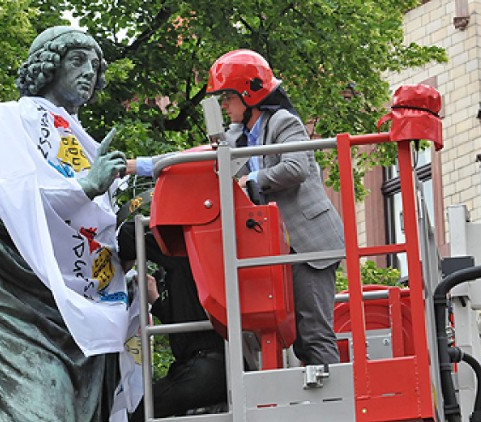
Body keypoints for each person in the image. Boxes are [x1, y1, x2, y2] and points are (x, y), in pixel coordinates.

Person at [0, 26, 134, 421]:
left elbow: (94, 236)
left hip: (82, 321)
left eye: (95, 64)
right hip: (16, 313)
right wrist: (85, 187)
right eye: (77, 60)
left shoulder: (87, 147)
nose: (89, 71)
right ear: (48, 67)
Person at [205, 49, 345, 366]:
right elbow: (200, 161)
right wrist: (140, 167)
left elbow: (296, 168)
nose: (224, 105)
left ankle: (334, 405)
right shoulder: (238, 137)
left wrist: (251, 179)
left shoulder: (283, 122)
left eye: (227, 97)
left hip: (308, 241)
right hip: (276, 245)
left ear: (248, 93)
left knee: (313, 333)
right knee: (288, 332)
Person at [117, 220, 227, 421]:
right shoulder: (205, 260)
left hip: (204, 366)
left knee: (142, 415)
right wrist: (156, 300)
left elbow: (129, 233)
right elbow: (186, 317)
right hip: (216, 363)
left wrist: (124, 263)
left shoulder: (182, 251)